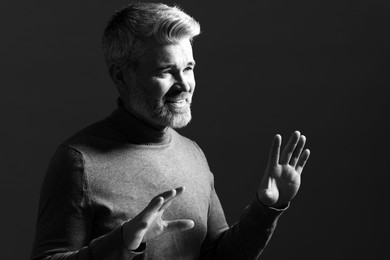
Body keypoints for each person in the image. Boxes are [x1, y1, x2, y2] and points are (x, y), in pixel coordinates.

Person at [30, 2, 310, 260]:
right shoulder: (78, 161)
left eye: (188, 68)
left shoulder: (192, 154)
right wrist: (124, 242)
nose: (184, 84)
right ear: (121, 76)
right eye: (166, 71)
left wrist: (266, 208)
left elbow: (218, 256)